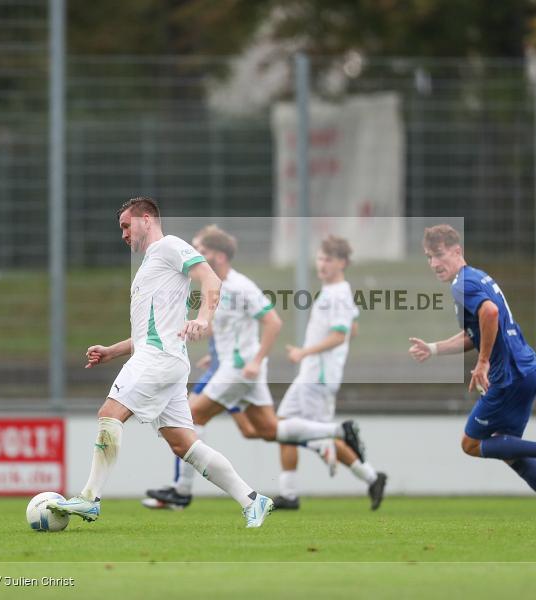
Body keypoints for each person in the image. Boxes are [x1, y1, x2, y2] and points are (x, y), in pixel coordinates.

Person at [47, 198, 273, 528]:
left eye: (126, 225)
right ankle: (252, 500)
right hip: (163, 358)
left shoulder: (169, 246)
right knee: (184, 444)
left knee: (110, 413)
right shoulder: (150, 265)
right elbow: (150, 332)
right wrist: (112, 351)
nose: (123, 234)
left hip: (159, 359)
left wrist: (204, 318)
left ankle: (89, 498)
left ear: (147, 219)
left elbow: (211, 280)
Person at [144, 226, 368, 510]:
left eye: (203, 250)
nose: (196, 255)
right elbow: (223, 327)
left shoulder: (241, 286)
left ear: (221, 256)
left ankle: (182, 490)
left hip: (239, 370)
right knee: (268, 428)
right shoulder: (216, 285)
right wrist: (207, 349)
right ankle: (339, 431)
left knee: (191, 415)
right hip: (234, 368)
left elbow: (273, 321)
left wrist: (255, 360)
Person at [407, 224, 536, 522]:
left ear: (457, 251)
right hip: (528, 369)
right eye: (428, 257)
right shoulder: (476, 277)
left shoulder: (462, 284)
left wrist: (483, 362)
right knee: (506, 446)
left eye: (438, 255)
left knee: (471, 443)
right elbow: (475, 333)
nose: (433, 263)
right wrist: (433, 349)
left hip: (508, 375)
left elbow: (490, 314)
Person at [275, 235, 387, 511]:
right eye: (320, 258)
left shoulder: (337, 294)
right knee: (282, 426)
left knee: (306, 432)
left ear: (343, 263)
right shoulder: (336, 291)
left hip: (318, 376)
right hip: (314, 373)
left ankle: (366, 472)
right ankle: (369, 477)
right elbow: (354, 328)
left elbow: (340, 335)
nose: (322, 264)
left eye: (329, 259)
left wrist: (305, 352)